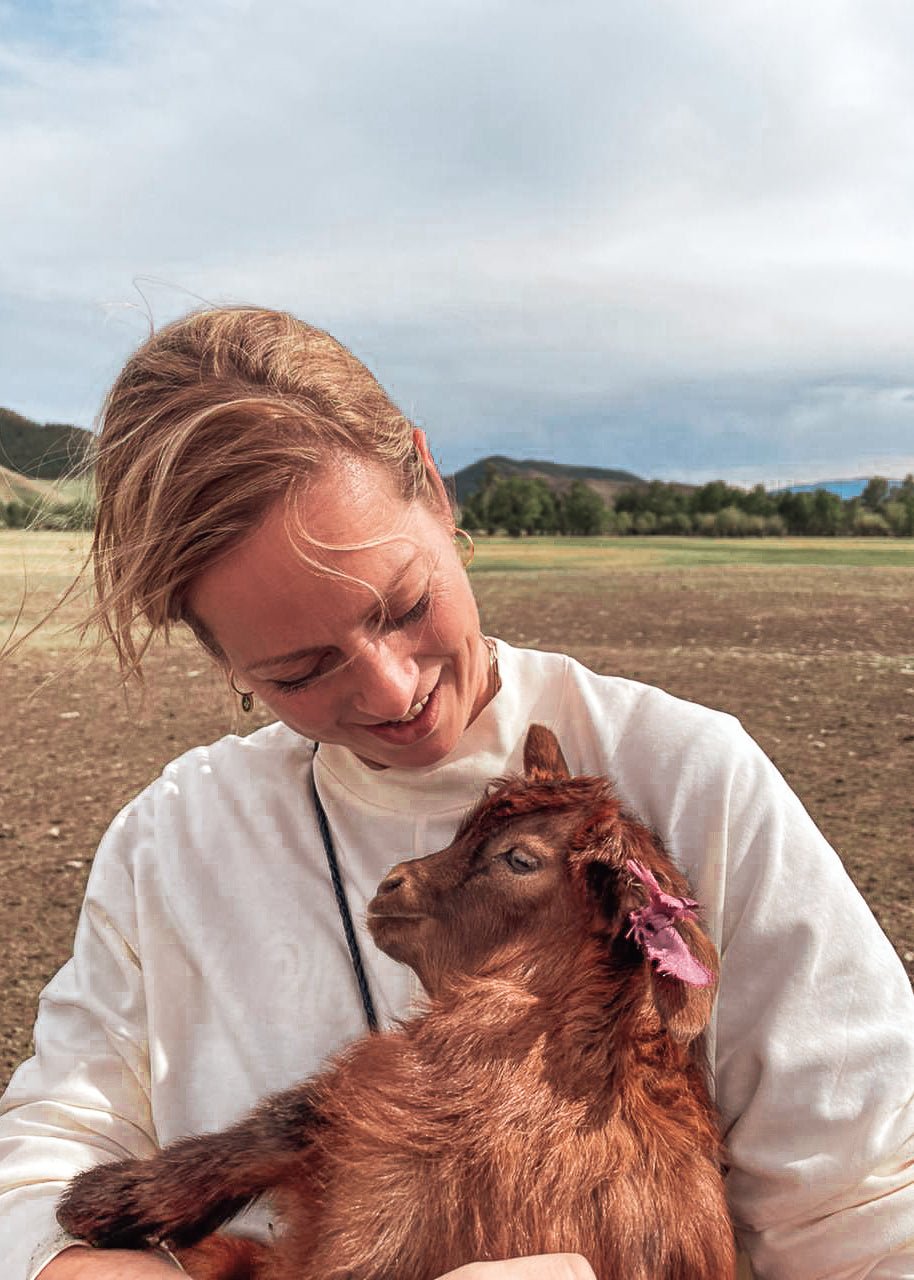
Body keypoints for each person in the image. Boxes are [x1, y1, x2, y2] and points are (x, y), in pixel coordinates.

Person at [1, 307, 913, 1280]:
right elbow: (52, 1151)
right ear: (217, 651)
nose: (392, 690)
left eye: (402, 605)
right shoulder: (173, 841)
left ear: (431, 485)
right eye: (300, 668)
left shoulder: (690, 776)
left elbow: (864, 1205)